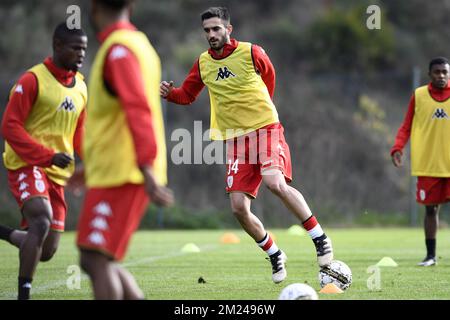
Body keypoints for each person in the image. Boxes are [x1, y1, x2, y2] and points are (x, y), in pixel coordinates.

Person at [160, 7, 333, 284]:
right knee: (238, 208)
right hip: (236, 139)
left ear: (229, 29)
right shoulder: (203, 62)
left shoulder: (252, 52)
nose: (211, 34)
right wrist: (170, 95)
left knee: (274, 182)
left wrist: (259, 111)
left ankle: (320, 238)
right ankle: (274, 253)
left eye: (216, 29)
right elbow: (187, 95)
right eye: (206, 30)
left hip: (266, 128)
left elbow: (269, 79)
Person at [75, 0, 173, 300]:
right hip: (117, 171)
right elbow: (119, 118)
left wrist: (146, 168)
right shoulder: (139, 44)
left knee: (95, 257)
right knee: (98, 258)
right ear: (130, 8)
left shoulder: (118, 50)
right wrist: (90, 168)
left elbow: (137, 109)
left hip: (125, 173)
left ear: (93, 9)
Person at [0, 23, 88, 300]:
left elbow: (79, 133)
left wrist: (89, 164)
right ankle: (23, 295)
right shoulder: (32, 80)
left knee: (46, 250)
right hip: (28, 164)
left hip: (57, 173)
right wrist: (45, 155)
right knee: (41, 221)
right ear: (58, 46)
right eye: (76, 48)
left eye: (84, 48)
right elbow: (10, 126)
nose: (81, 54)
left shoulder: (82, 86)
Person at [391, 57, 450, 267]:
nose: (441, 76)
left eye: (445, 72)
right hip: (428, 164)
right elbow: (406, 125)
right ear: (429, 74)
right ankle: (431, 256)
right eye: (437, 72)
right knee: (431, 210)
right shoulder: (419, 95)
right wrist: (398, 147)